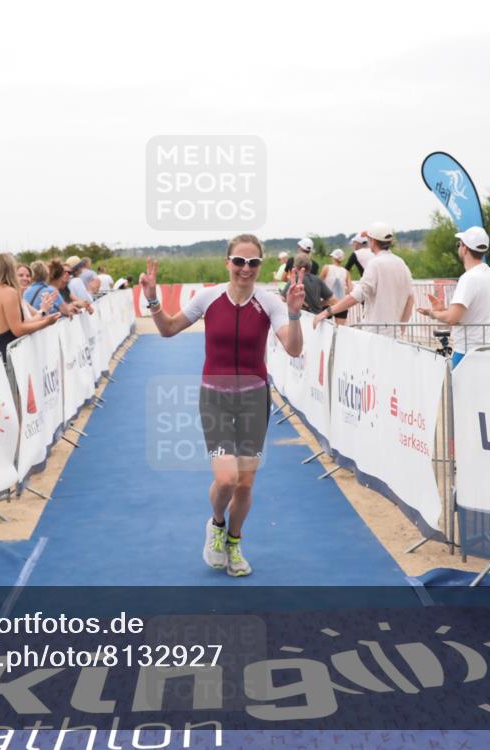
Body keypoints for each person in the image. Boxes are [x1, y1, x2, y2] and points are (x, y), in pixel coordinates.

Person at [141, 234, 305, 577]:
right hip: (214, 397)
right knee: (227, 479)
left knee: (245, 484)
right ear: (227, 262)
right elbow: (169, 329)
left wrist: (294, 315)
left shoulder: (270, 302)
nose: (246, 269)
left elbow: (292, 349)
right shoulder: (208, 297)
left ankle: (234, 540)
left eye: (254, 263)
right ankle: (216, 525)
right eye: (239, 262)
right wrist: (153, 300)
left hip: (254, 399)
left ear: (260, 266)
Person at [417, 226, 490, 367]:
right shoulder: (489, 273)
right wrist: (443, 310)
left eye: (459, 244)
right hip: (489, 349)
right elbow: (471, 313)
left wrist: (433, 313)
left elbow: (452, 318)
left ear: (465, 249)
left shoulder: (469, 278)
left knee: (453, 388)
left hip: (467, 352)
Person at [313, 222, 413, 334]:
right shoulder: (401, 263)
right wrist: (402, 326)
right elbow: (410, 298)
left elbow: (356, 296)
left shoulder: (375, 264)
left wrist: (327, 312)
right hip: (395, 333)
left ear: (373, 241)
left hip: (375, 333)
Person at [0, 253, 60, 361]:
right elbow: (18, 330)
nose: (25, 278)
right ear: (11, 269)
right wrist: (46, 322)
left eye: (28, 275)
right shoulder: (9, 292)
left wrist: (43, 311)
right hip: (9, 355)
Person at [321, 249, 354, 324]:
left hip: (327, 303)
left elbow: (319, 284)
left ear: (333, 257)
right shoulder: (346, 272)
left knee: (324, 329)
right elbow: (350, 289)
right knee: (340, 330)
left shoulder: (326, 268)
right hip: (341, 304)